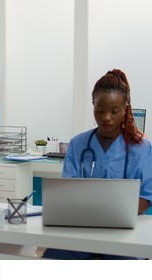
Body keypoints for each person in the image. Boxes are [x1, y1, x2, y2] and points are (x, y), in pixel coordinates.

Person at [42, 69, 152, 260]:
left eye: (114, 111)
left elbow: (145, 198)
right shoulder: (78, 144)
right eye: (100, 110)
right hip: (82, 232)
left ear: (125, 109)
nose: (106, 117)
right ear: (93, 105)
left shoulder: (142, 147)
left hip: (125, 235)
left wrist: (106, 215)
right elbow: (68, 191)